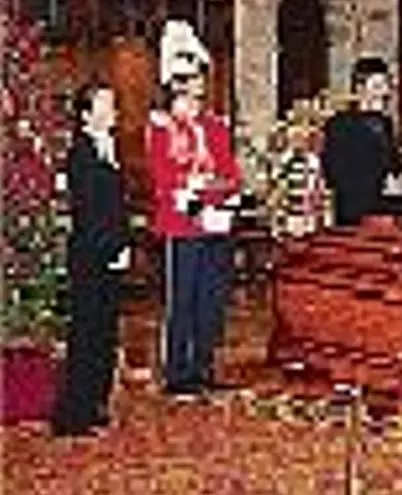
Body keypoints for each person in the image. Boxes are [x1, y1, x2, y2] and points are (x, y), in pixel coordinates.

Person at [147, 20, 242, 397]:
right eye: (192, 78)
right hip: (182, 225)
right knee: (182, 299)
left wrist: (213, 193)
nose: (200, 84)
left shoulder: (215, 125)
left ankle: (203, 366)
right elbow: (164, 179)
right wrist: (198, 194)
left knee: (211, 300)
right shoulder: (161, 126)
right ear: (175, 83)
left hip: (216, 222)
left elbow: (231, 175)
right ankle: (177, 372)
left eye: (200, 76)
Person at [52, 82, 129, 436]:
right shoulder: (80, 153)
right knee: (85, 336)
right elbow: (89, 212)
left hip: (109, 251)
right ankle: (73, 414)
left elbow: (115, 205)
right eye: (106, 104)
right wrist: (111, 248)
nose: (114, 109)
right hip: (90, 255)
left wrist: (122, 244)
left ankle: (96, 404)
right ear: (86, 114)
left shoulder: (108, 146)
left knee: (104, 334)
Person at [321, 57, 402, 226]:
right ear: (360, 89)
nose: (384, 93)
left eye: (386, 85)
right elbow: (333, 173)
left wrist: (397, 179)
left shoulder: (385, 124)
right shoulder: (339, 125)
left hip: (385, 212)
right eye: (377, 86)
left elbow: (393, 165)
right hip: (353, 214)